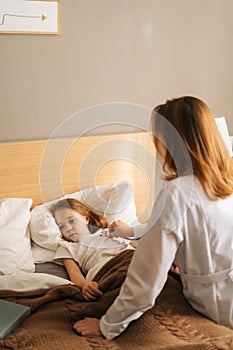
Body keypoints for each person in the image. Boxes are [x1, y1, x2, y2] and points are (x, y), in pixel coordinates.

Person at [73, 96, 233, 339]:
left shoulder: (178, 193)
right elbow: (194, 227)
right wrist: (132, 231)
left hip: (219, 300)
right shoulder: (225, 181)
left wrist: (107, 325)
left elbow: (145, 280)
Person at [51, 198, 135, 301]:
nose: (68, 228)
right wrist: (85, 285)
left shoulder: (108, 231)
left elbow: (140, 246)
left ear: (85, 219)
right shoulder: (67, 247)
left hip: (128, 257)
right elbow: (74, 273)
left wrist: (128, 232)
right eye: (61, 226)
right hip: (106, 270)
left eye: (72, 221)